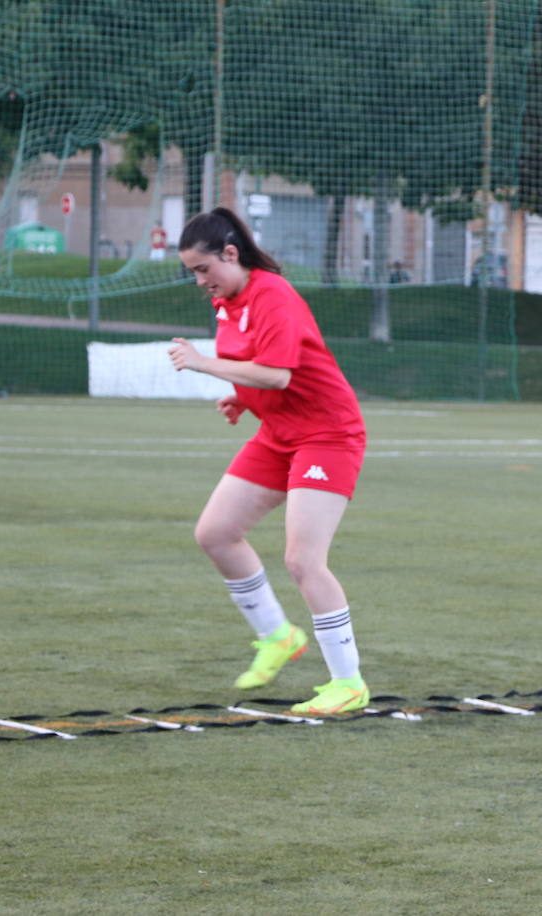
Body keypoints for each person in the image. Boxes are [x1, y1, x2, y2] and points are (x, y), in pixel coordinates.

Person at [167, 207, 371, 716]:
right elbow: (258, 370)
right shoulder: (227, 301)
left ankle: (348, 684)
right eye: (192, 272)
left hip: (327, 435)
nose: (200, 281)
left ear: (230, 254)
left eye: (203, 269)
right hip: (280, 434)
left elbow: (278, 374)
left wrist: (202, 364)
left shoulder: (273, 295)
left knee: (303, 560)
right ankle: (279, 636)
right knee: (215, 534)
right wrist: (241, 397)